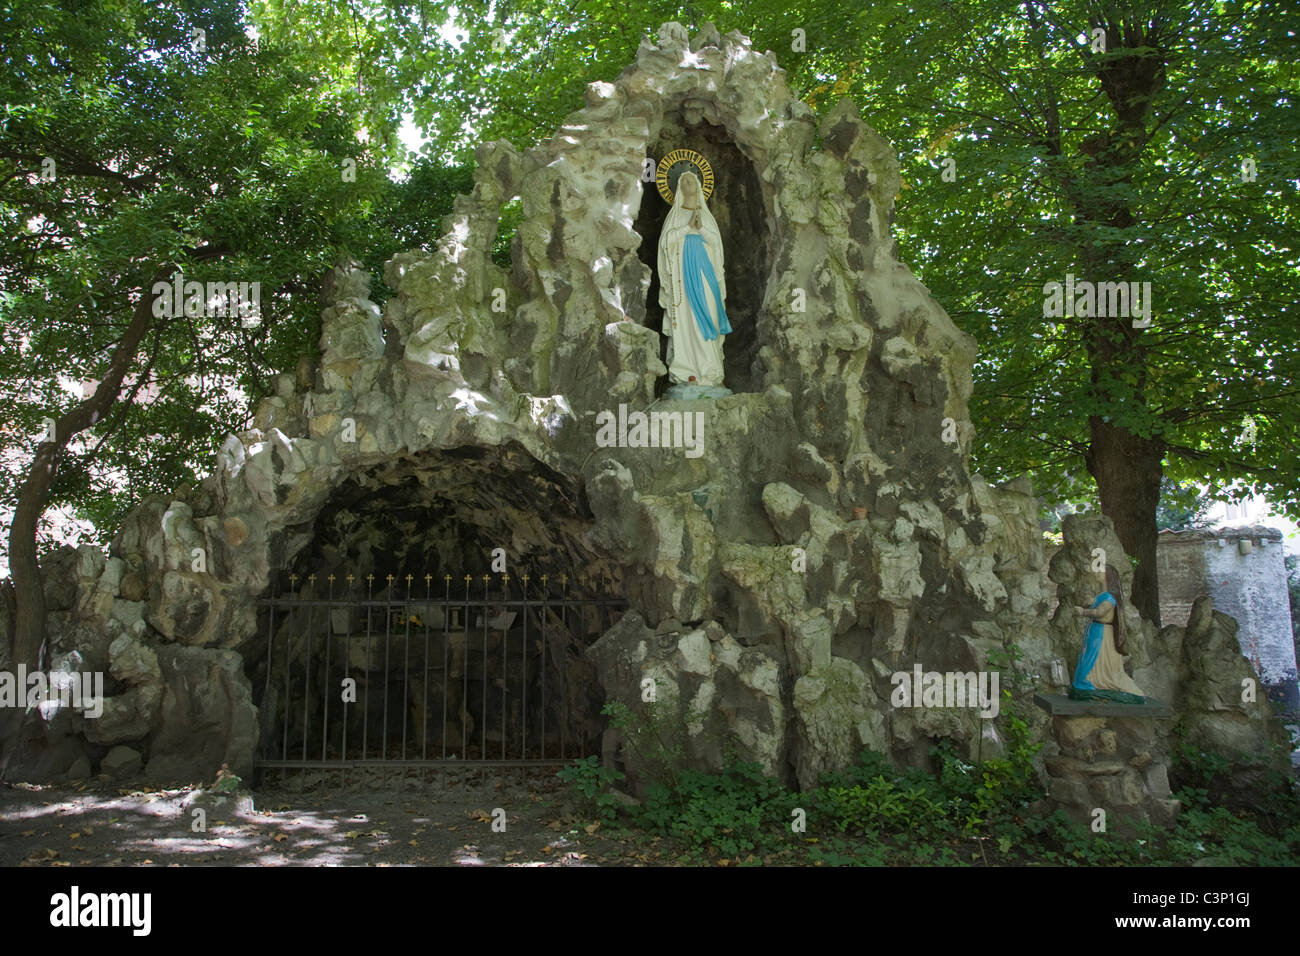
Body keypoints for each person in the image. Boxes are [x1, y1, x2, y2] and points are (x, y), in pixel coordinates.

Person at [657, 171, 731, 389]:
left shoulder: (706, 216)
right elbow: (665, 244)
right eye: (683, 180)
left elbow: (716, 245)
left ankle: (710, 370)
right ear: (679, 188)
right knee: (687, 321)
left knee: (709, 315)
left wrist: (700, 229)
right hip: (682, 277)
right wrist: (687, 228)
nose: (688, 182)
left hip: (705, 273)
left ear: (699, 185)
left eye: (692, 179)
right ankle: (687, 370)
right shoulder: (674, 216)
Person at [1070, 564, 1146, 703]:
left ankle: (1096, 682)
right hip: (1095, 632)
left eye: (1100, 571)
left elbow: (1100, 612)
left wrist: (1083, 611)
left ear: (1108, 576)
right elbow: (1096, 606)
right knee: (1088, 656)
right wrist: (1089, 603)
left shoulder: (1111, 598)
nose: (1097, 573)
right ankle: (1087, 682)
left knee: (1095, 657)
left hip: (1103, 634)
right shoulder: (1102, 596)